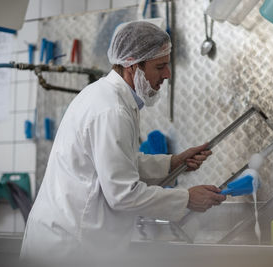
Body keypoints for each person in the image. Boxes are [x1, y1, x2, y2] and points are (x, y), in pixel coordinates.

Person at [20, 21, 226, 263]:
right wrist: (187, 198)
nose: (167, 74)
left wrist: (172, 162)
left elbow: (118, 164)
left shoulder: (108, 97)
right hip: (69, 247)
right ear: (132, 65)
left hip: (72, 241)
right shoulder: (112, 110)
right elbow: (123, 194)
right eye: (160, 66)